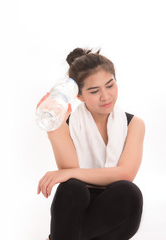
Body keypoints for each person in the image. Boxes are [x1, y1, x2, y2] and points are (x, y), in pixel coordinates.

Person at [36, 48, 145, 240]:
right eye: (94, 91)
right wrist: (54, 128)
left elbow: (125, 173)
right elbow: (70, 173)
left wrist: (69, 173)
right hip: (75, 207)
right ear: (79, 96)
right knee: (72, 188)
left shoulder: (134, 124)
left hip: (115, 207)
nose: (105, 96)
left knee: (129, 192)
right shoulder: (65, 122)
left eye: (110, 85)